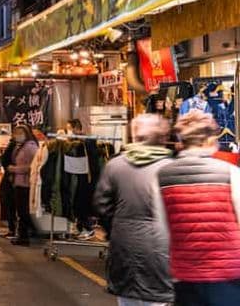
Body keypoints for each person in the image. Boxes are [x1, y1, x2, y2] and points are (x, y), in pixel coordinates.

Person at [157, 110, 240, 305]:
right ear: (209, 140)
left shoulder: (163, 175)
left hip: (185, 274)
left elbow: (162, 229)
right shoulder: (230, 173)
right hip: (227, 274)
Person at [94, 114, 174, 306]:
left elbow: (101, 205)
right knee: (157, 300)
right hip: (161, 247)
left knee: (128, 298)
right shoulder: (171, 168)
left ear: (134, 136)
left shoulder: (115, 165)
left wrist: (115, 230)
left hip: (124, 244)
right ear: (163, 138)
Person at [7, 123, 38, 246]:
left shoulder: (31, 147)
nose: (17, 136)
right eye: (16, 134)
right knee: (20, 211)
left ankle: (24, 236)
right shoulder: (20, 146)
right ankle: (22, 235)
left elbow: (33, 166)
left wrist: (15, 169)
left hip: (26, 183)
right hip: (18, 182)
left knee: (23, 211)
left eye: (20, 134)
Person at [0, 136, 18, 238]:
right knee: (10, 203)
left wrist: (13, 170)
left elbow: (5, 159)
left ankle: (14, 229)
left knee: (12, 203)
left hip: (16, 179)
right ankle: (13, 228)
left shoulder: (26, 146)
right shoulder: (15, 145)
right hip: (12, 177)